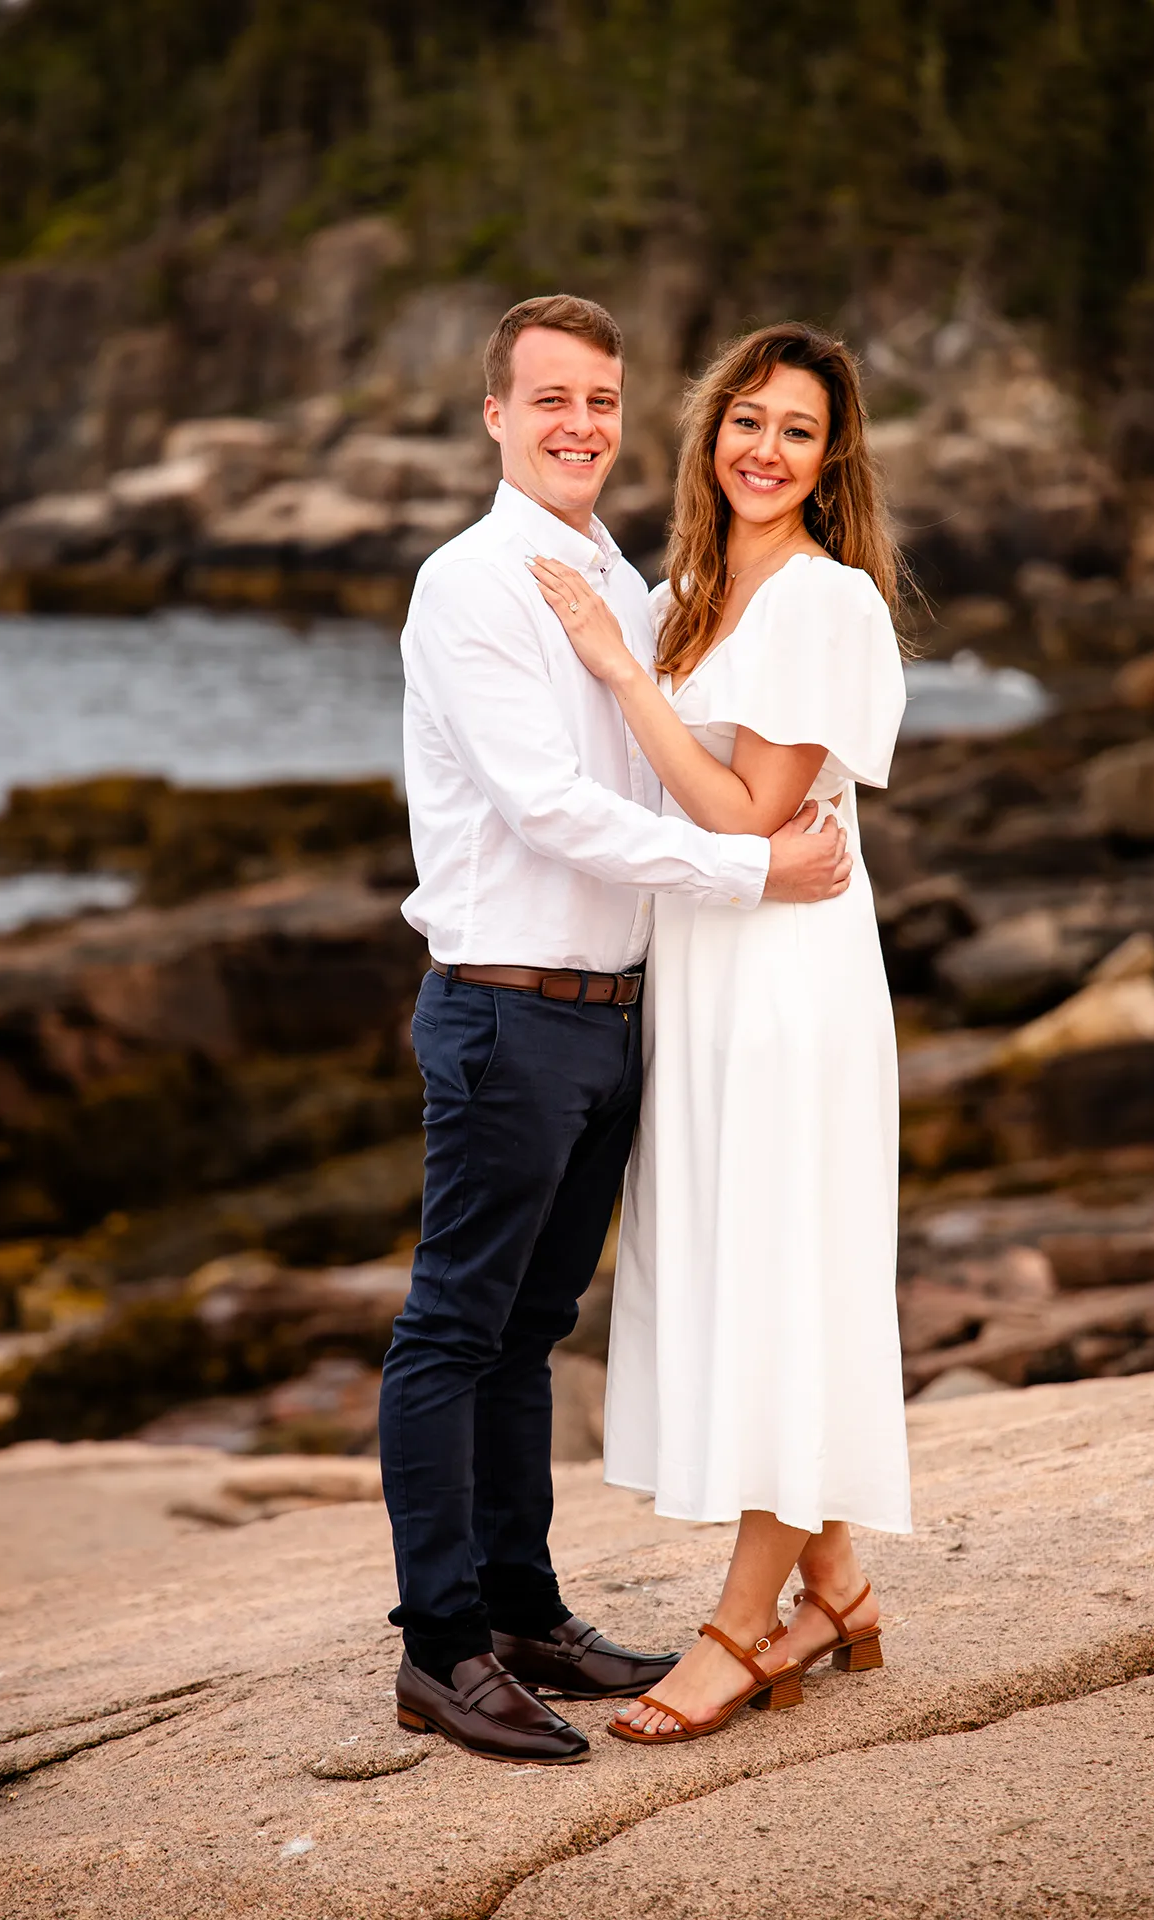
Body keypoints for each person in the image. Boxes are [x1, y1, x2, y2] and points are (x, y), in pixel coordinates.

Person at [379, 295, 854, 1766]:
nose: (581, 423)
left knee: (531, 1330)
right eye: (550, 400)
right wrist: (758, 866)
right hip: (506, 1010)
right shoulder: (469, 587)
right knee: (454, 1328)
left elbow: (671, 766)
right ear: (495, 419)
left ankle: (524, 1613)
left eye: (602, 397)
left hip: (608, 1019)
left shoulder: (619, 583)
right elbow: (551, 811)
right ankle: (443, 1650)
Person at [527, 320, 911, 1745]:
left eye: (797, 431)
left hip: (788, 986)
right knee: (743, 1272)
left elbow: (752, 815)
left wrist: (618, 676)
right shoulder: (688, 590)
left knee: (779, 1285)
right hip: (700, 974)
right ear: (711, 434)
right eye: (746, 420)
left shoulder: (825, 603)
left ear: (831, 458)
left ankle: (744, 1631)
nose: (765, 450)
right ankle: (840, 1596)